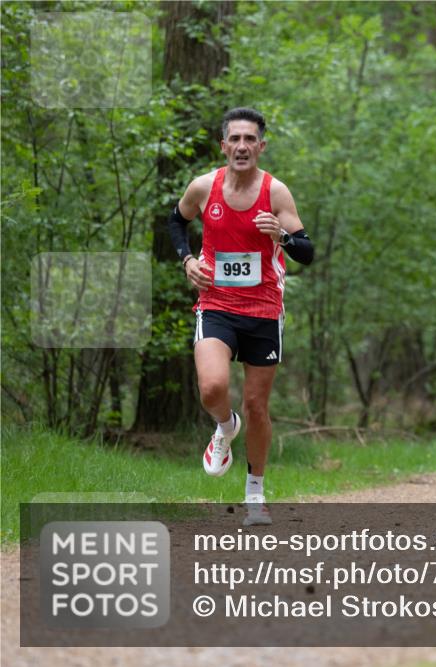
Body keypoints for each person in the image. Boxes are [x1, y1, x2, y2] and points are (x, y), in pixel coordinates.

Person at [166, 107, 314, 526]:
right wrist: (187, 259)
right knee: (212, 388)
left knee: (257, 406)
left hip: (265, 310)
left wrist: (281, 236)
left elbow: (307, 251)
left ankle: (255, 495)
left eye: (251, 139)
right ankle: (224, 426)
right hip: (216, 304)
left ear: (261, 147)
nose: (243, 146)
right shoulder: (204, 187)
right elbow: (176, 221)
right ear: (224, 146)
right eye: (236, 139)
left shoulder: (275, 193)